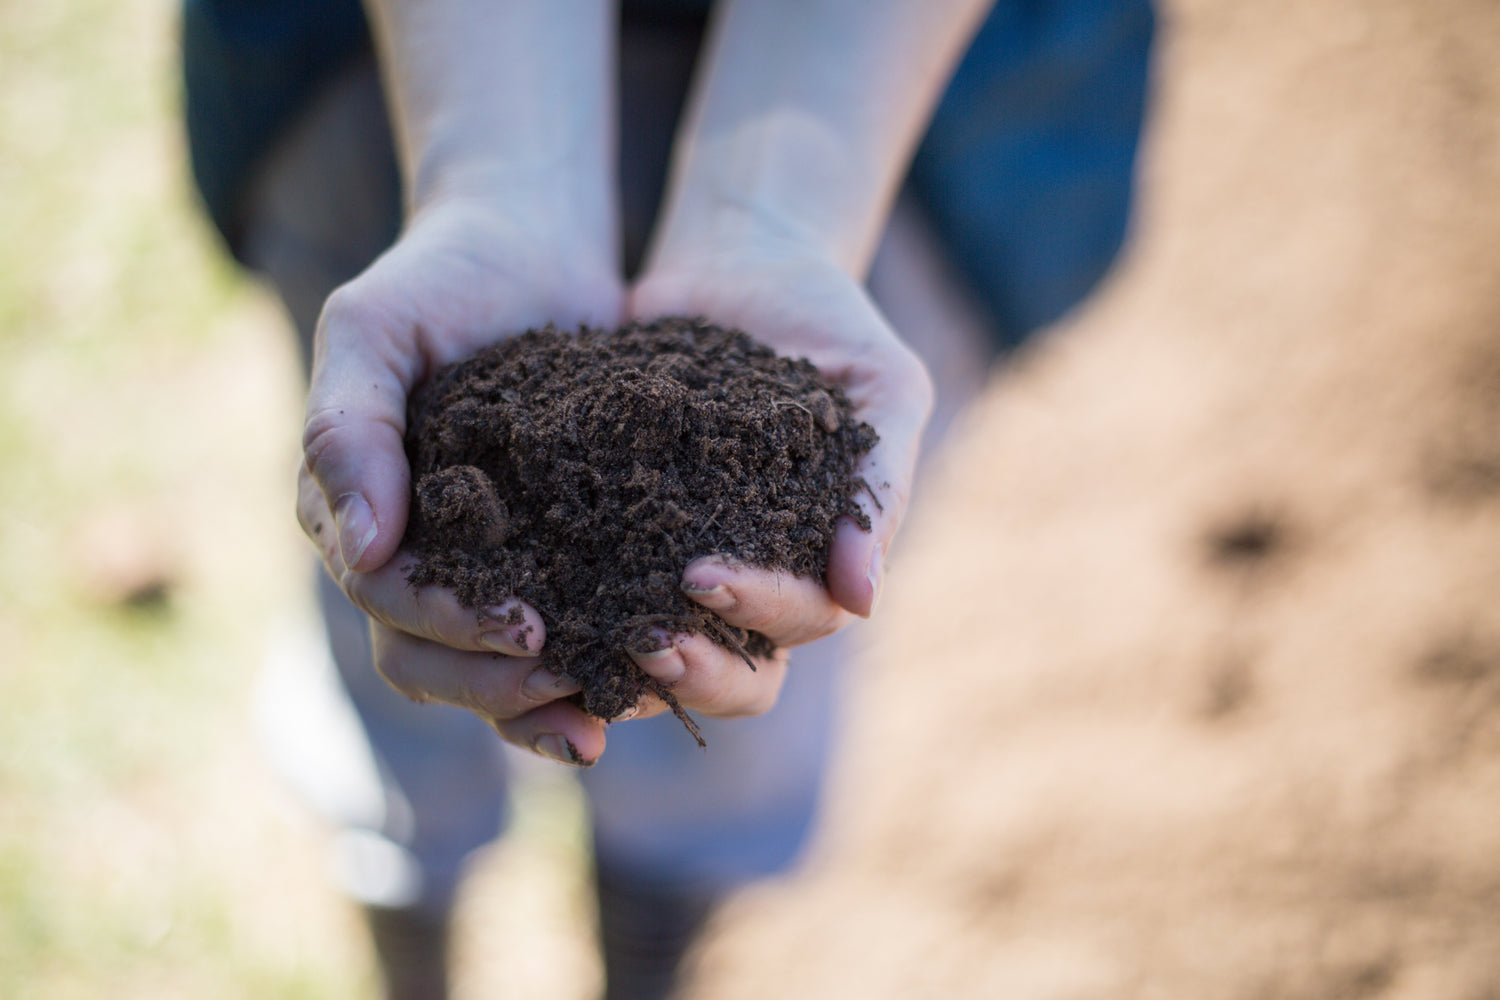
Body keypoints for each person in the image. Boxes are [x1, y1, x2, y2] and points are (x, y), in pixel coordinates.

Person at [182, 1, 1154, 997]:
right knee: (397, 568)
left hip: (889, 86)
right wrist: (494, 185)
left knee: (729, 648)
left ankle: (644, 955)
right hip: (419, 58)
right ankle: (410, 921)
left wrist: (780, 210)